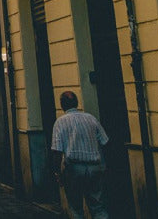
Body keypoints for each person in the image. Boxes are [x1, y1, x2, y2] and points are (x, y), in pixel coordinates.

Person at [50, 90, 109, 219]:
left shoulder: (60, 122)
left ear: (62, 105)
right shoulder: (91, 118)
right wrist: (103, 165)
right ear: (76, 103)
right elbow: (104, 142)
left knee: (76, 208)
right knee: (98, 206)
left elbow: (57, 151)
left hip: (74, 169)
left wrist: (57, 173)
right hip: (94, 167)